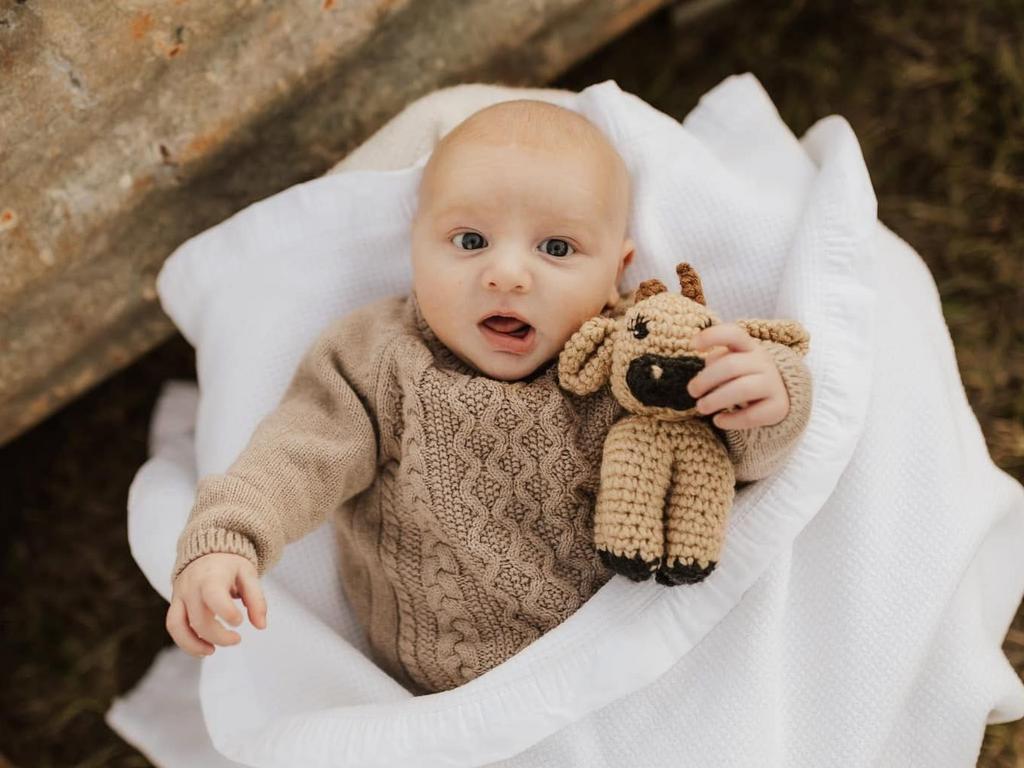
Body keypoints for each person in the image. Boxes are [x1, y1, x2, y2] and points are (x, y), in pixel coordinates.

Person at [164, 99, 813, 695]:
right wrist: (227, 540)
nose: (506, 274)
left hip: (643, 656)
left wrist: (768, 398)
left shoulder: (632, 352)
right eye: (470, 241)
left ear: (618, 268)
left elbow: (728, 458)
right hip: (459, 685)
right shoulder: (382, 360)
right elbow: (298, 455)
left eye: (557, 248)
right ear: (415, 245)